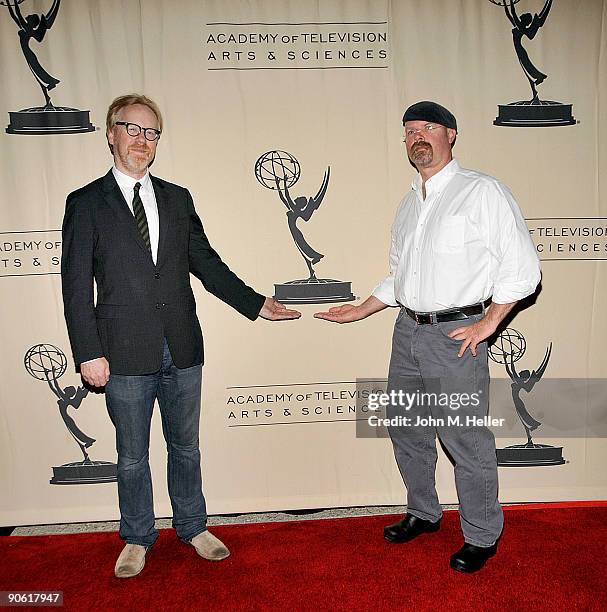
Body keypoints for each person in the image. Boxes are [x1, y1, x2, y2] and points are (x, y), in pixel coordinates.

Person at [61, 93, 300, 578]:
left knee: (185, 446)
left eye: (152, 132)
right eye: (132, 129)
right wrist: (88, 352)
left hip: (182, 347)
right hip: (121, 353)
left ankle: (192, 526)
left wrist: (254, 303)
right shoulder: (85, 203)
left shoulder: (176, 198)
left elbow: (205, 263)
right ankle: (136, 536)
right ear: (110, 134)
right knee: (131, 455)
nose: (142, 140)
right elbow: (73, 287)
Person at [315, 101, 540, 573]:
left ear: (451, 134)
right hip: (407, 332)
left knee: (464, 439)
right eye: (410, 131)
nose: (419, 136)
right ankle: (423, 512)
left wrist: (487, 324)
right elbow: (401, 276)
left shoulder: (482, 192)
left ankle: (481, 534)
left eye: (429, 128)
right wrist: (360, 310)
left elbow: (522, 270)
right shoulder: (408, 205)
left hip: (455, 338)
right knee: (407, 430)